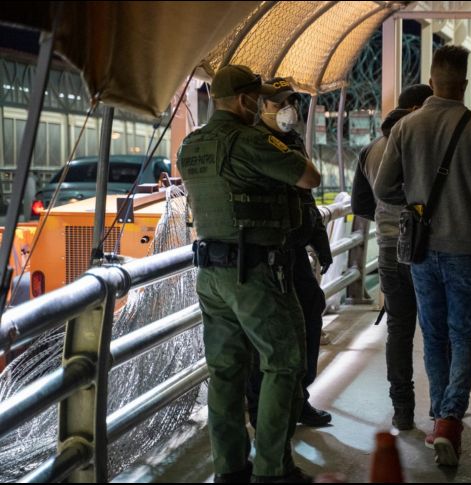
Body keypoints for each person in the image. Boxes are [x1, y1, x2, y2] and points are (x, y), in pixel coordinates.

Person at [176, 65, 320, 483]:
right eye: (257, 98)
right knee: (283, 362)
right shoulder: (251, 141)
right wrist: (283, 140)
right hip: (254, 271)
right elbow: (310, 177)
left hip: (210, 275)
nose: (261, 104)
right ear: (244, 101)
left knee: (225, 371)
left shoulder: (192, 146)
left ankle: (231, 469)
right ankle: (273, 470)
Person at [374, 45, 471, 467]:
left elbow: (382, 189)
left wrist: (415, 203)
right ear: (465, 83)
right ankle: (450, 418)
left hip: (421, 250)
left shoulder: (407, 127)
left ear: (431, 81)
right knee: (463, 334)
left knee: (432, 334)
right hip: (466, 247)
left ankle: (438, 417)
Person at [246, 77, 334, 429]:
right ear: (259, 106)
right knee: (264, 334)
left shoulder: (291, 139)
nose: (288, 108)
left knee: (311, 310)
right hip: (264, 251)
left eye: (290, 101)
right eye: (278, 102)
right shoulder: (252, 142)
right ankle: (259, 405)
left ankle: (300, 397)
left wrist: (320, 240)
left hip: (293, 249)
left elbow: (305, 198)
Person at [351, 83, 433, 431]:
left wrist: (387, 218)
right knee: (436, 328)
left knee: (399, 329)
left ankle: (402, 408)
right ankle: (443, 409)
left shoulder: (370, 148)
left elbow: (360, 205)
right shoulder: (423, 145)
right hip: (428, 248)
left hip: (387, 248)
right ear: (417, 108)